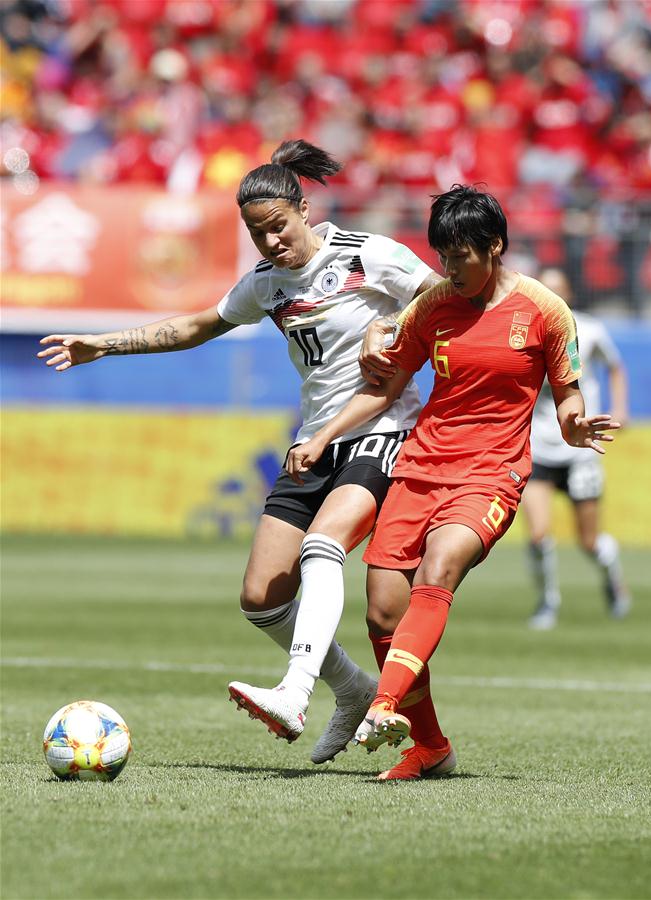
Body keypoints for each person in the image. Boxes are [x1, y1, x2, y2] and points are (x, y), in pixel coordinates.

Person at [37, 139, 442, 764]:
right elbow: (197, 326)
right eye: (258, 234)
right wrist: (105, 344)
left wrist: (389, 325)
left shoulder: (369, 255)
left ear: (304, 208)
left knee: (323, 545)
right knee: (262, 598)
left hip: (383, 428)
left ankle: (295, 691)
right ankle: (352, 688)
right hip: (315, 440)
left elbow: (442, 296)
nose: (272, 242)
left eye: (278, 226)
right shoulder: (266, 284)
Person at [286, 184, 621, 780]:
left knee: (440, 567)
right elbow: (385, 386)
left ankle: (382, 705)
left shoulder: (544, 309)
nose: (449, 268)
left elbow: (568, 393)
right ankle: (432, 748)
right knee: (383, 613)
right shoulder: (433, 305)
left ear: (495, 246)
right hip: (419, 468)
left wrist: (573, 427)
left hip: (492, 473)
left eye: (460, 255)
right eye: (442, 255)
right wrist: (321, 436)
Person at [523, 267, 630, 630]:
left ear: (568, 293)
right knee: (538, 534)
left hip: (581, 448)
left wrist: (620, 408)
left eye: (557, 290)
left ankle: (612, 578)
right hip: (540, 443)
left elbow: (615, 367)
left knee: (588, 541)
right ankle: (547, 603)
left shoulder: (591, 329)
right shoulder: (524, 331)